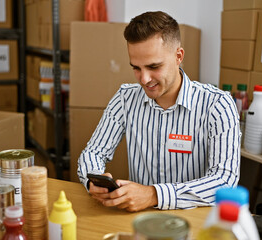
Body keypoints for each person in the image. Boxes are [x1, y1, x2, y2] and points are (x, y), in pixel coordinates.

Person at [77, 11, 240, 212]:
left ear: (178, 56)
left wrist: (154, 195)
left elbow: (225, 181)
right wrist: (92, 180)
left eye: (154, 66)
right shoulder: (125, 99)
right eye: (136, 68)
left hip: (194, 222)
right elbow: (93, 153)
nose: (144, 79)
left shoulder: (218, 105)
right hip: (140, 220)